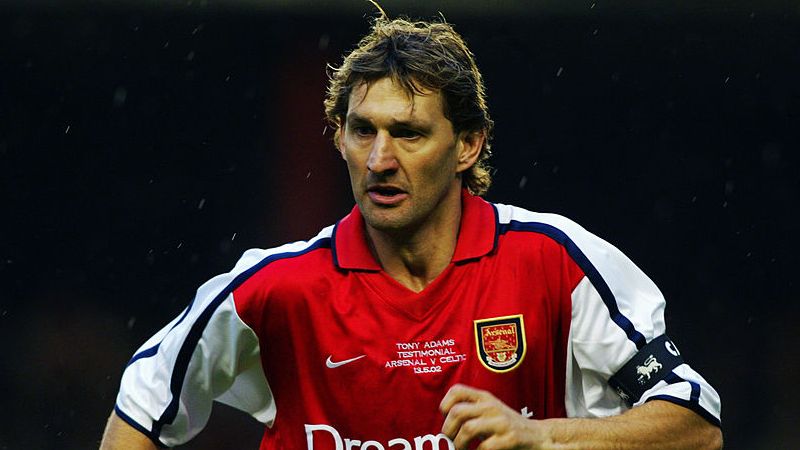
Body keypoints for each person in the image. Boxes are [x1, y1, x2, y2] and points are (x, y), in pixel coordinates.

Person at [100, 13, 722, 450]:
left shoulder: (553, 262)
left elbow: (696, 425)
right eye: (362, 131)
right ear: (339, 138)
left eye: (408, 133)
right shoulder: (276, 288)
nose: (379, 159)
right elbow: (141, 407)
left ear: (468, 145)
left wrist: (540, 437)